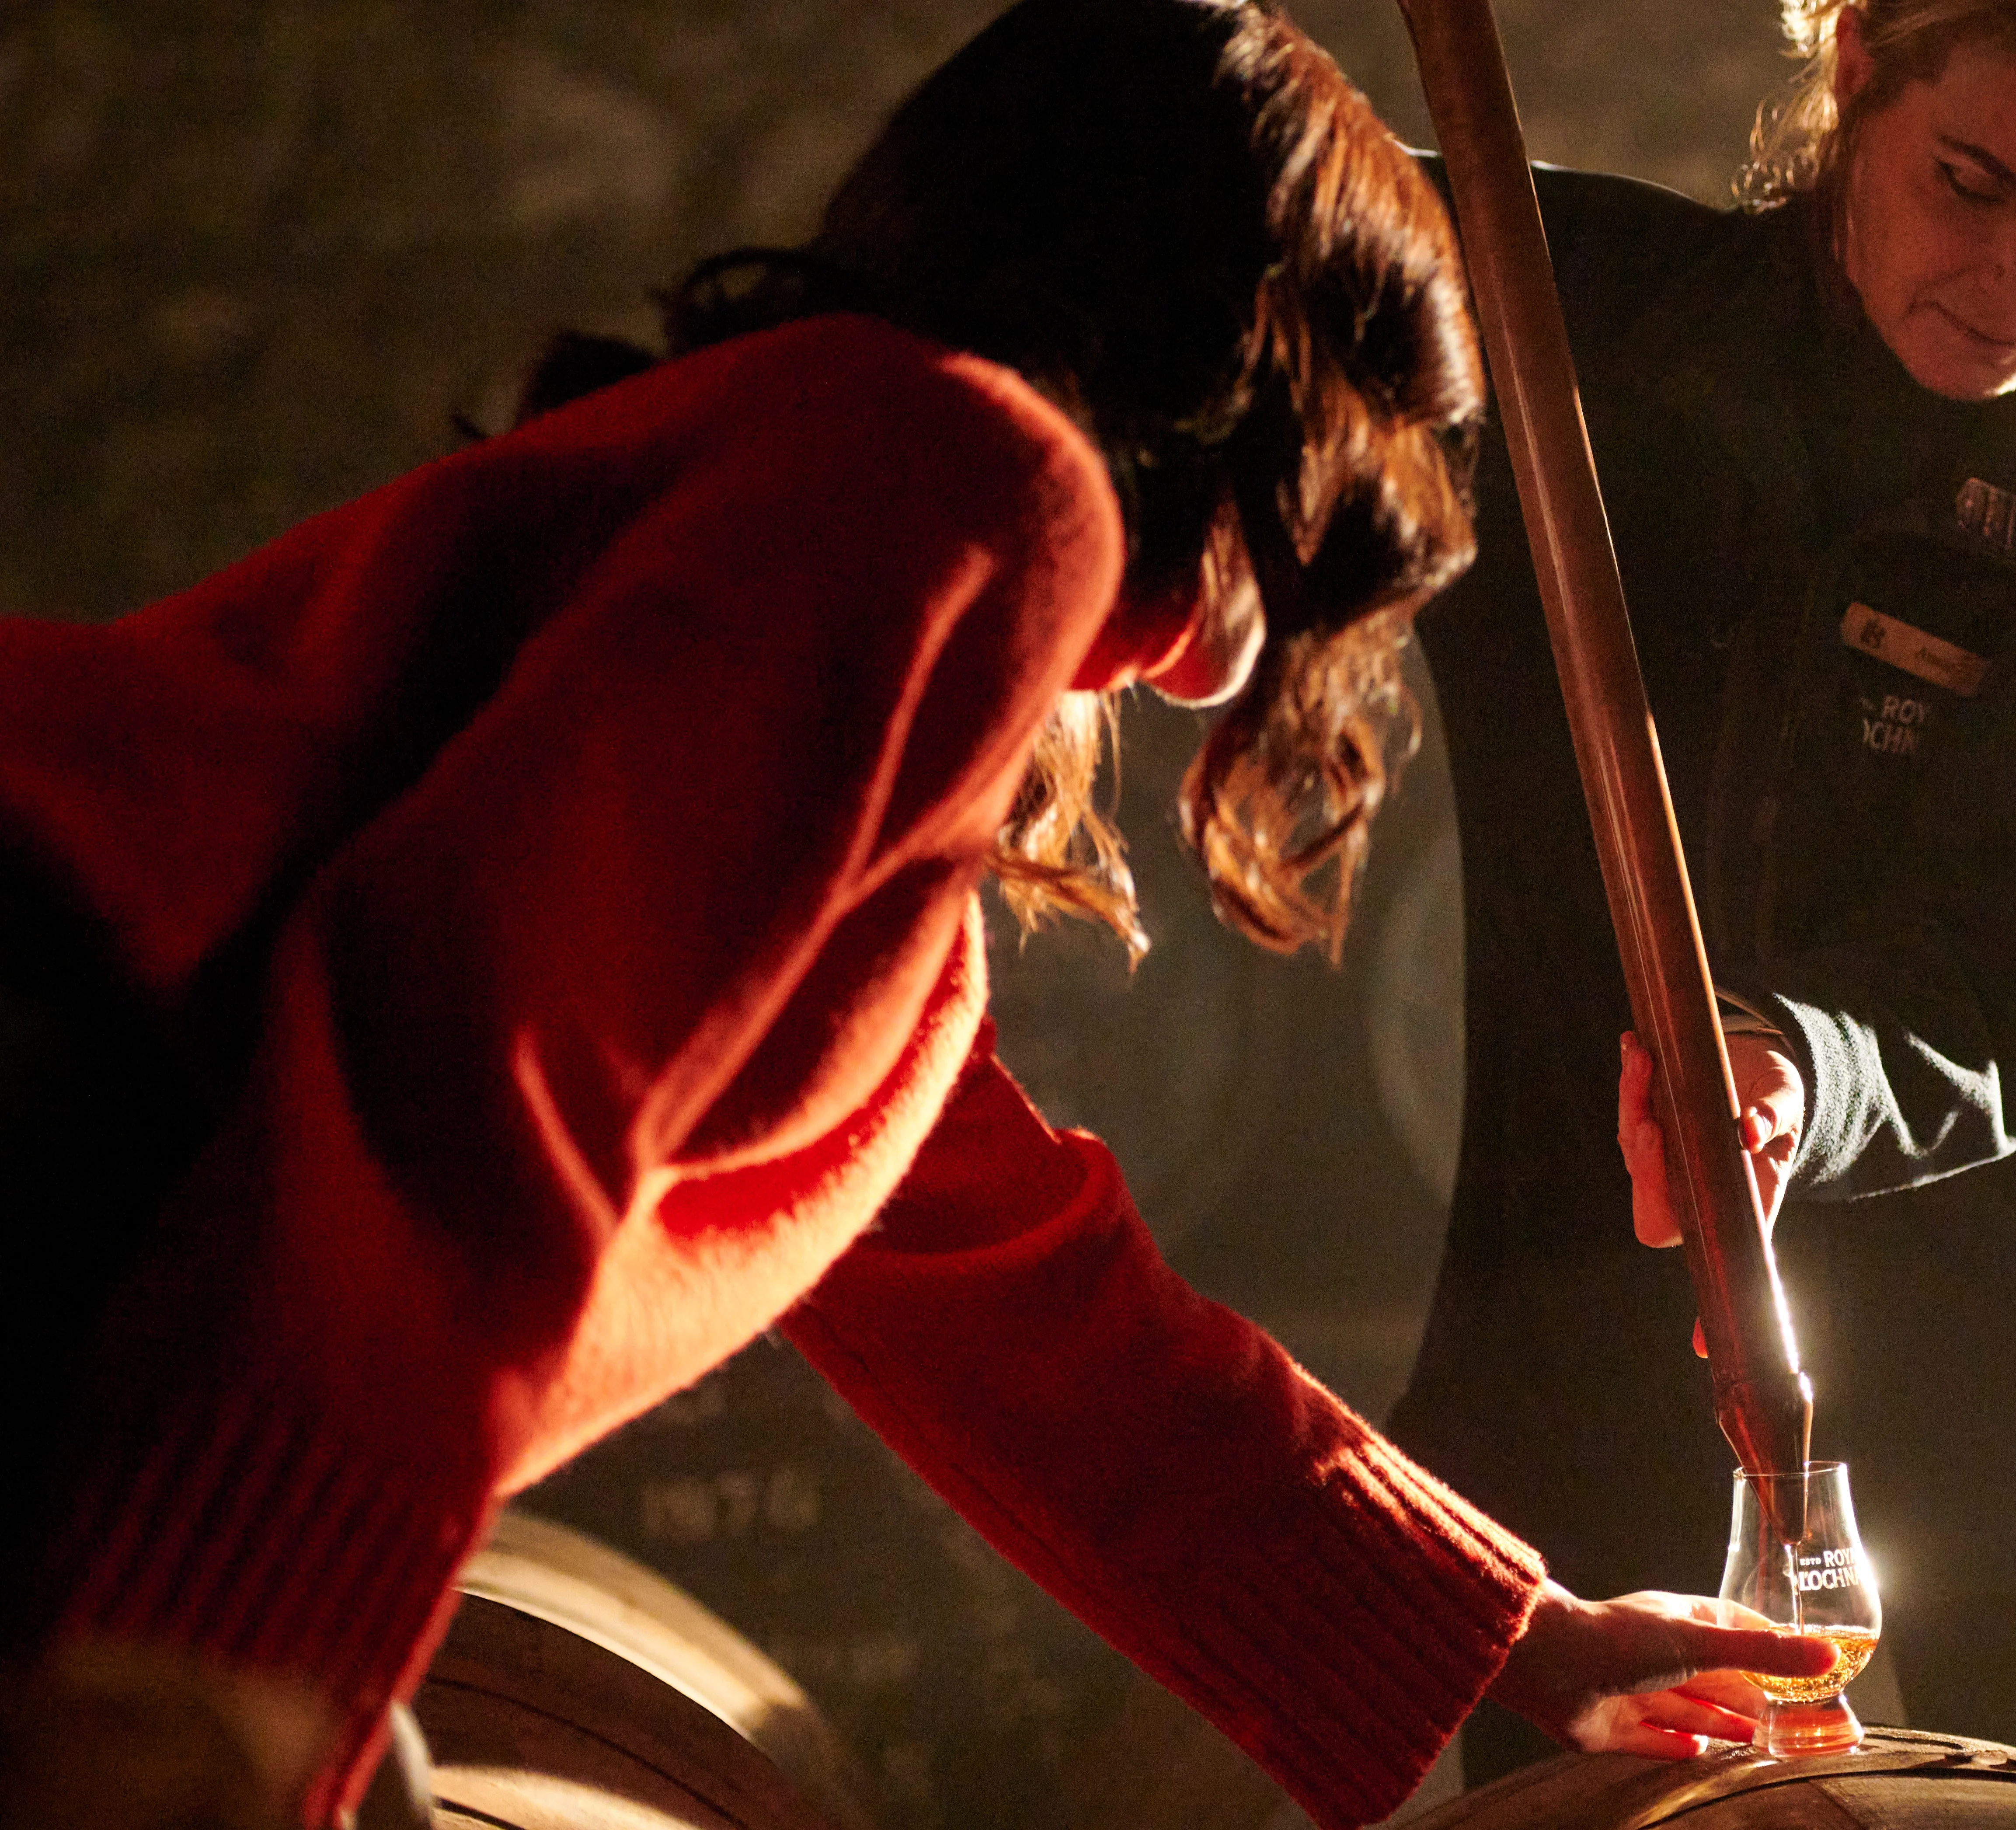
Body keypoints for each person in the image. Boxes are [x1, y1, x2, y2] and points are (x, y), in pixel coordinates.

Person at [0, 3, 1835, 1826]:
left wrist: (1519, 1625)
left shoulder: (858, 572)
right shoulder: (958, 481)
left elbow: (1029, 1310)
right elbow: (473, 1060)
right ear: (1257, 360)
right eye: (1382, 425)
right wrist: (199, 1671)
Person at [1386, 0, 2016, 1813]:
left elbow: (2012, 979)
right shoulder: (1554, 300)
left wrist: (1796, 1066)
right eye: (1976, 185)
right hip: (1592, 1365)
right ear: (1860, 61)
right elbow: (1180, 163)